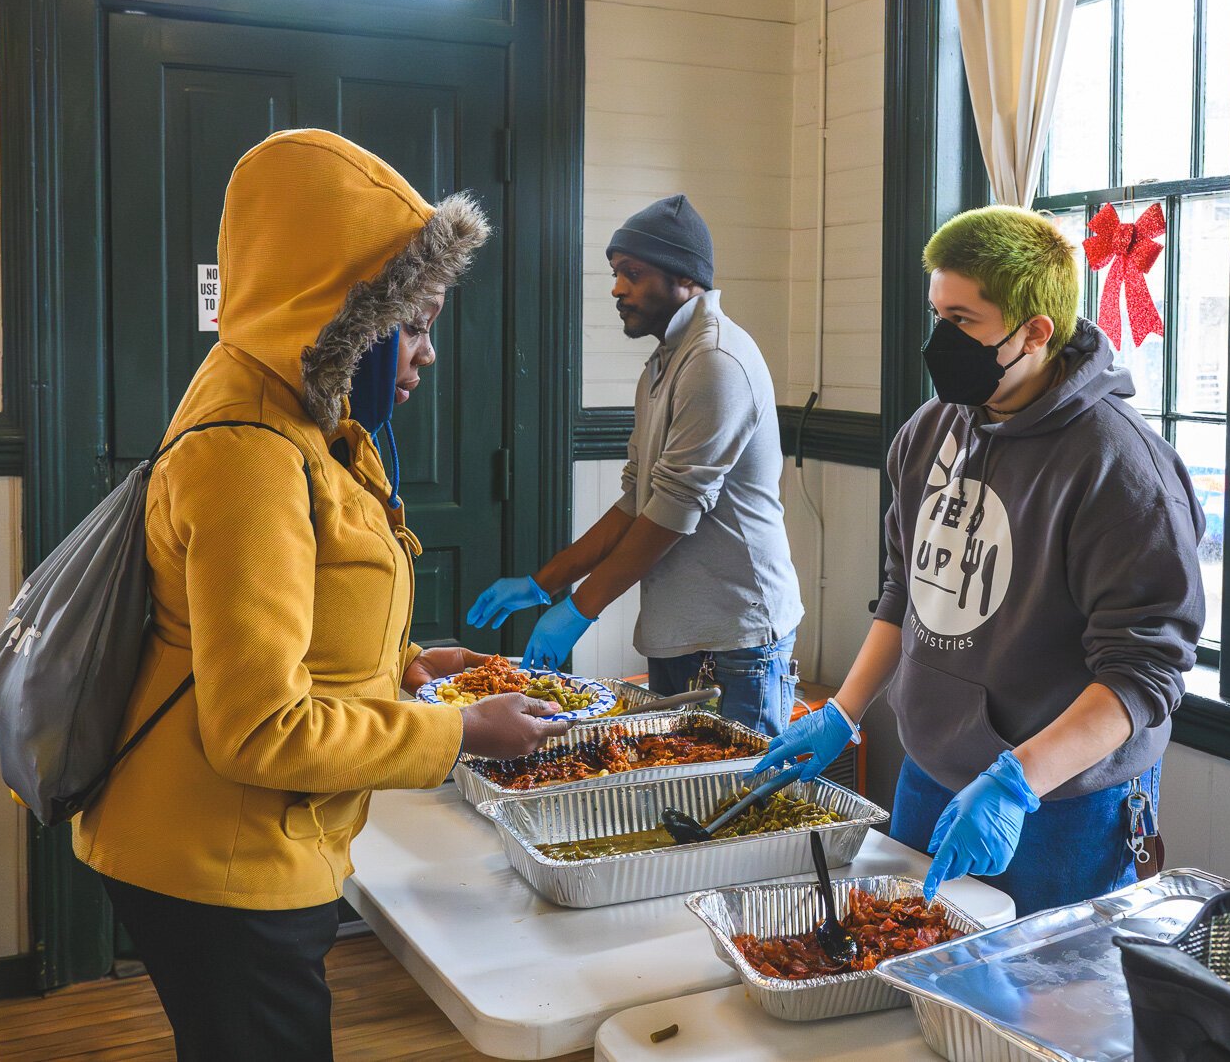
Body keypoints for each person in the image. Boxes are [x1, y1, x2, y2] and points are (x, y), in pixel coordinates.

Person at [73, 129, 570, 1062]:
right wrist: (464, 733)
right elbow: (259, 728)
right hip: (218, 861)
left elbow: (303, 605)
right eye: (414, 323)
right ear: (336, 310)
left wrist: (408, 665)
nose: (425, 355)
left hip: (249, 844)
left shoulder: (302, 415)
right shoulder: (249, 451)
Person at [754, 205, 1204, 917]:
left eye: (962, 321)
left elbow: (1143, 674)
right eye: (936, 313)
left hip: (1058, 803)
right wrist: (844, 709)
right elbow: (908, 589)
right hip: (930, 774)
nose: (940, 339)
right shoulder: (927, 433)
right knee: (908, 985)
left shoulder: (1122, 469)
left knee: (1039, 1014)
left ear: (1035, 332)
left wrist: (1017, 781)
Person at [467, 195, 805, 735]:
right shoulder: (665, 362)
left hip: (736, 641)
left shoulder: (715, 361)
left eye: (632, 273)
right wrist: (541, 583)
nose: (616, 288)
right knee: (677, 800)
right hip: (683, 632)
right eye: (615, 272)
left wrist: (579, 610)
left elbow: (672, 513)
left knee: (737, 807)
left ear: (684, 278)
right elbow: (637, 498)